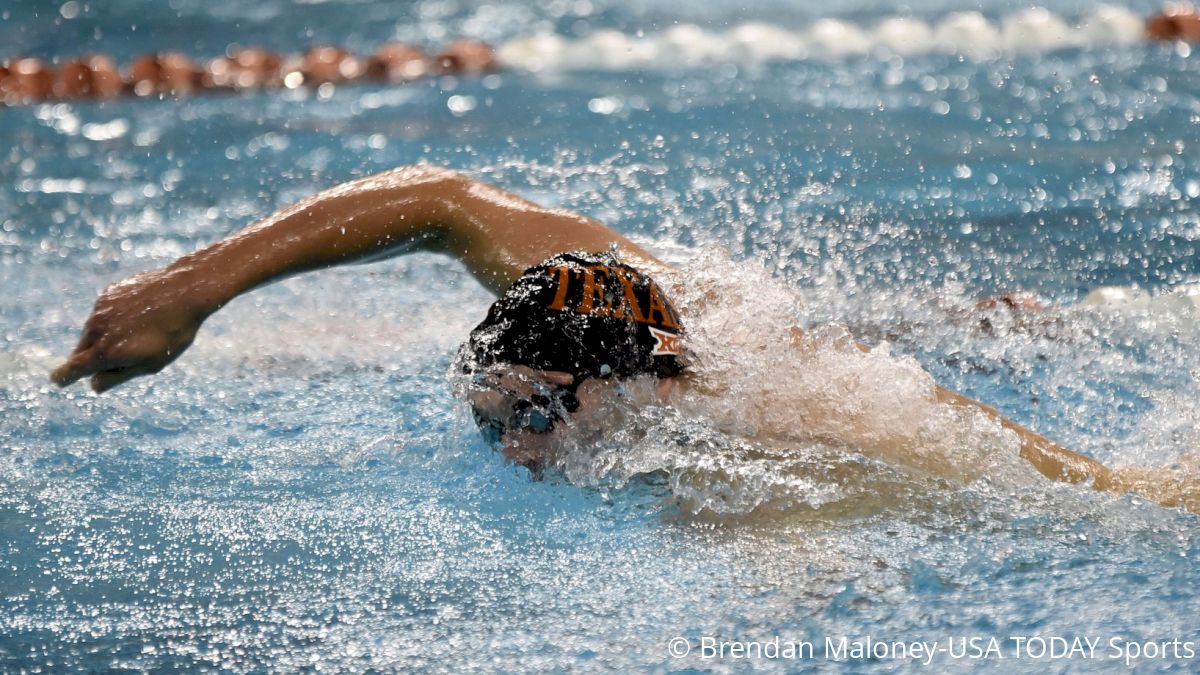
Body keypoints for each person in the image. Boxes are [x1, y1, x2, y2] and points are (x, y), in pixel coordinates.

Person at [48, 166, 1197, 510]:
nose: (510, 448)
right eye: (491, 415)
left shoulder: (772, 422)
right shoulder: (573, 283)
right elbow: (440, 197)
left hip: (857, 345)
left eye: (535, 418)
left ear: (625, 394)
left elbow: (1110, 496)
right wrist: (195, 286)